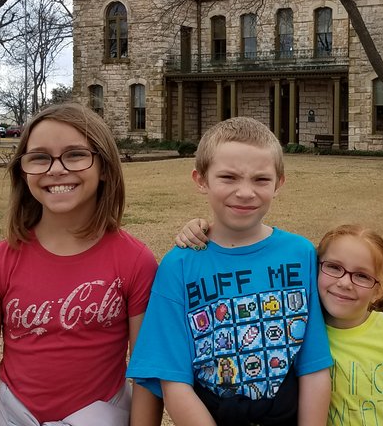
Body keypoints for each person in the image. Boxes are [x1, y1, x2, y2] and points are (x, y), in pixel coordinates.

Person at [0, 103, 161, 426]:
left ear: (104, 166)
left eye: (76, 154)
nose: (56, 169)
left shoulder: (136, 262)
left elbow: (147, 378)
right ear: (23, 172)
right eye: (39, 157)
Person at [127, 116, 333, 426]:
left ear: (279, 183)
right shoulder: (179, 265)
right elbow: (172, 379)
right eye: (228, 177)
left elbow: (314, 364)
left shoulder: (301, 254)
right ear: (201, 180)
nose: (245, 192)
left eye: (261, 180)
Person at [176, 223, 383, 426]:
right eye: (334, 268)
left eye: (362, 275)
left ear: (379, 289)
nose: (344, 283)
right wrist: (201, 227)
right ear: (312, 270)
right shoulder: (296, 330)